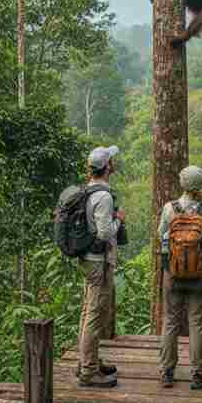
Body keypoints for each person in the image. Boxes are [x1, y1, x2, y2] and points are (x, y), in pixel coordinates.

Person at [157, 165, 202, 390]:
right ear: (201, 185)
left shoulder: (170, 208)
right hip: (200, 274)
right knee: (197, 322)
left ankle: (167, 372)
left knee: (170, 321)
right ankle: (198, 373)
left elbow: (160, 235)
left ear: (182, 184)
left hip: (173, 272)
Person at [77, 145, 124, 389]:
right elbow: (105, 233)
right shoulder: (103, 196)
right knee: (94, 314)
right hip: (98, 261)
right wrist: (119, 221)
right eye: (111, 162)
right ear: (107, 167)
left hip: (87, 258)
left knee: (88, 310)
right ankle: (88, 371)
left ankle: (88, 360)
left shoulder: (87, 190)